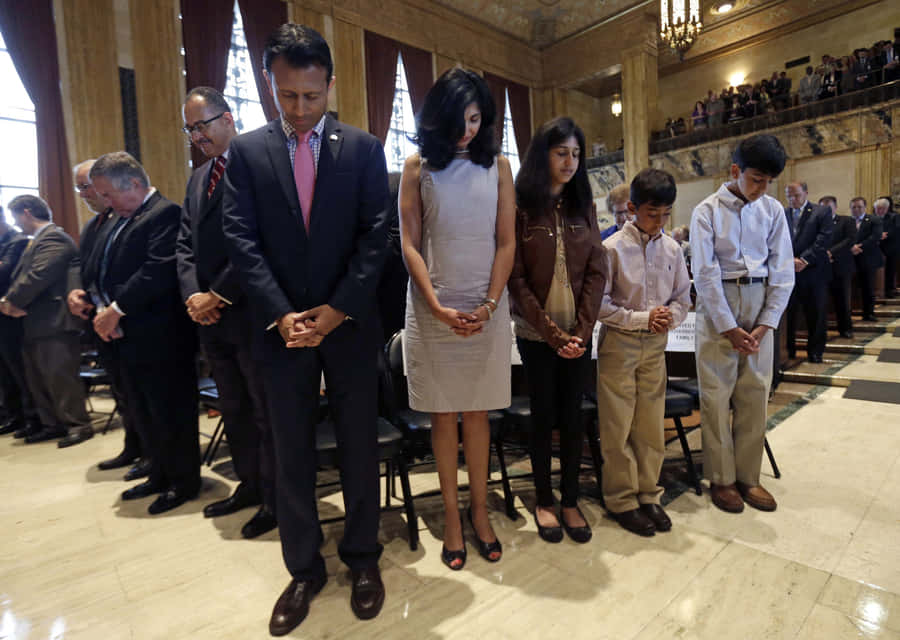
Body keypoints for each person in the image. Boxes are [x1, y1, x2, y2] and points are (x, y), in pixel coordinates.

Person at [221, 24, 390, 635]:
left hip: (347, 326)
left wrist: (338, 309)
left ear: (329, 85)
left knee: (357, 447)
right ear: (270, 84)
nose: (298, 110)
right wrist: (279, 310)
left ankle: (363, 558)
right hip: (278, 327)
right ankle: (303, 569)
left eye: (310, 97)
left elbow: (377, 237)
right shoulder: (245, 151)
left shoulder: (365, 149)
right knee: (288, 451)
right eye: (286, 96)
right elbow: (239, 239)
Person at [399, 67, 514, 571]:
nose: (467, 130)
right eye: (458, 120)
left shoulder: (500, 167)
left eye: (475, 119)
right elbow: (408, 243)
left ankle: (480, 510)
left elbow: (506, 242)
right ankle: (450, 515)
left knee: (480, 414)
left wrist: (489, 304)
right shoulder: (416, 166)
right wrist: (436, 305)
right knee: (444, 416)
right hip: (435, 306)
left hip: (486, 307)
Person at [176, 86, 276, 540]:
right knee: (232, 408)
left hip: (250, 311)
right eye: (190, 128)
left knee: (264, 410)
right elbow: (184, 246)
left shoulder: (259, 165)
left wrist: (218, 294)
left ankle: (277, 497)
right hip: (210, 318)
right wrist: (194, 297)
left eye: (203, 124)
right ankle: (249, 485)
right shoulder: (199, 178)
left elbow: (261, 241)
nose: (197, 135)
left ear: (228, 118)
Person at [507, 117, 606, 544]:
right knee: (542, 416)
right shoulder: (520, 206)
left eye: (576, 154)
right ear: (542, 155)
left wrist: (581, 331)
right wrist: (550, 332)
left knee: (573, 418)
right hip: (536, 335)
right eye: (561, 152)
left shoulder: (585, 205)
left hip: (578, 335)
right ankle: (544, 500)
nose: (570, 162)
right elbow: (516, 278)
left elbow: (597, 272)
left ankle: (570, 499)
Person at [89, 151, 200, 515]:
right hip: (128, 335)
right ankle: (159, 472)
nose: (103, 202)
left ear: (134, 184)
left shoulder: (163, 214)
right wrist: (89, 297)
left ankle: (182, 482)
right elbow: (101, 264)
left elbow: (157, 270)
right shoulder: (119, 218)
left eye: (108, 194)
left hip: (161, 336)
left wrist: (116, 309)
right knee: (144, 411)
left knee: (170, 412)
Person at [690, 134, 794, 513]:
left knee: (755, 393)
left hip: (759, 299)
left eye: (768, 182)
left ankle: (750, 477)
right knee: (716, 396)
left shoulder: (772, 211)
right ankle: (722, 479)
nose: (762, 188)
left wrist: (766, 324)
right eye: (756, 179)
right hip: (721, 302)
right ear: (735, 171)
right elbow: (704, 273)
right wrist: (728, 326)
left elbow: (783, 271)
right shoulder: (706, 211)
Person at [595, 169, 690, 536]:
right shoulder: (612, 248)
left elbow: (682, 296)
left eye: (666, 213)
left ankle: (649, 493)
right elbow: (600, 306)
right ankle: (621, 499)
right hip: (619, 342)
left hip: (655, 345)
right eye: (652, 213)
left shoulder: (672, 249)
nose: (660, 221)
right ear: (632, 208)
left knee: (650, 423)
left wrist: (671, 317)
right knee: (618, 424)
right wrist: (642, 318)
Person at [67, 159, 147, 477]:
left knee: (138, 395)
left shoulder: (124, 220)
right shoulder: (93, 225)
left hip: (129, 321)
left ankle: (148, 452)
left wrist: (113, 308)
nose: (85, 194)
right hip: (102, 323)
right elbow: (86, 268)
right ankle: (133, 446)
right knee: (121, 392)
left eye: (89, 187)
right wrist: (79, 292)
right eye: (81, 188)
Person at [1, 195, 93, 447]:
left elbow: (37, 275)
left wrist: (9, 301)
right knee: (38, 379)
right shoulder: (35, 241)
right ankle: (53, 424)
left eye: (15, 216)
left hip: (55, 321)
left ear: (27, 212)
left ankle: (78, 425)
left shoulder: (54, 237)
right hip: (35, 322)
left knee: (60, 377)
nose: (16, 223)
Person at [783, 182, 833, 363]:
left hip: (814, 271)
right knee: (788, 315)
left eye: (796, 195)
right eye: (789, 196)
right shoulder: (783, 213)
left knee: (816, 314)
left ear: (806, 193)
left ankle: (816, 351)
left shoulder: (821, 212)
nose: (792, 199)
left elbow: (824, 238)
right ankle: (788, 350)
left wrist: (804, 259)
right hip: (788, 272)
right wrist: (789, 261)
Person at [0, 208, 39, 437]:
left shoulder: (18, 241)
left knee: (19, 369)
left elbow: (5, 272)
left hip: (12, 314)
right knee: (4, 371)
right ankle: (13, 415)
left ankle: (30, 417)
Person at [821, 196, 856, 338]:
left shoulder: (846, 221)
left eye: (828, 207)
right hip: (822, 268)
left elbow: (849, 240)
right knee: (821, 302)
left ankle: (845, 329)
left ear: (835, 207)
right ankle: (822, 331)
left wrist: (830, 252)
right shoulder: (818, 223)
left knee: (842, 300)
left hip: (841, 267)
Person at [849, 197, 883, 322]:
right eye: (854, 207)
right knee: (852, 288)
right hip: (851, 259)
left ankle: (869, 313)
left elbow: (876, 236)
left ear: (865, 207)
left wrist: (859, 246)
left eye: (859, 207)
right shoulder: (848, 221)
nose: (856, 209)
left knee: (868, 287)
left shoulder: (874, 219)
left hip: (868, 258)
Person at [874, 197, 898, 297]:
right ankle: (878, 290)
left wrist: (886, 234)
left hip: (891, 248)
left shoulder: (894, 217)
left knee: (890, 269)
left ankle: (889, 290)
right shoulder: (871, 218)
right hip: (876, 248)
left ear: (886, 208)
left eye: (881, 208)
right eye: (877, 208)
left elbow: (896, 229)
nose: (879, 211)